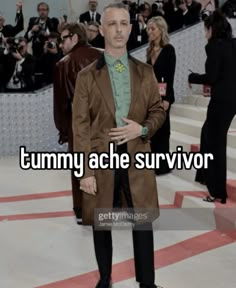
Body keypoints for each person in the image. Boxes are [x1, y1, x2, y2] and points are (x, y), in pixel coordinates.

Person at [72, 3, 166, 288]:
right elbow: (80, 126)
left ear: (130, 27)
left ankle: (147, 282)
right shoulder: (87, 76)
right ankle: (105, 278)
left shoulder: (145, 72)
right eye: (112, 24)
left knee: (143, 222)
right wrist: (85, 171)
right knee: (103, 223)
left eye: (124, 23)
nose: (118, 29)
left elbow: (158, 111)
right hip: (102, 160)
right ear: (101, 30)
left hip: (137, 156)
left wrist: (143, 128)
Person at [53, 23, 102, 225]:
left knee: (80, 166)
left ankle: (83, 211)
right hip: (106, 123)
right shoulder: (105, 55)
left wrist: (64, 131)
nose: (60, 44)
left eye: (63, 39)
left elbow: (61, 104)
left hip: (79, 124)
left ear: (74, 37)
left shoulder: (63, 64)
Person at [188, 10, 236, 204]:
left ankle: (218, 192)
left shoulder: (214, 47)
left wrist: (193, 77)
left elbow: (212, 77)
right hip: (233, 100)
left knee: (216, 144)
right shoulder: (234, 43)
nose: (203, 33)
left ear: (211, 29)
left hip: (221, 100)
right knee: (207, 133)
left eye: (205, 29)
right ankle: (204, 176)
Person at [147, 16, 176, 175]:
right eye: (148, 29)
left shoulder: (169, 50)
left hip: (164, 96)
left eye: (153, 29)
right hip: (150, 96)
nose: (149, 32)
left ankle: (162, 165)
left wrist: (167, 99)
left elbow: (170, 76)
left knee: (163, 130)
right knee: (152, 129)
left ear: (161, 30)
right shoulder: (149, 50)